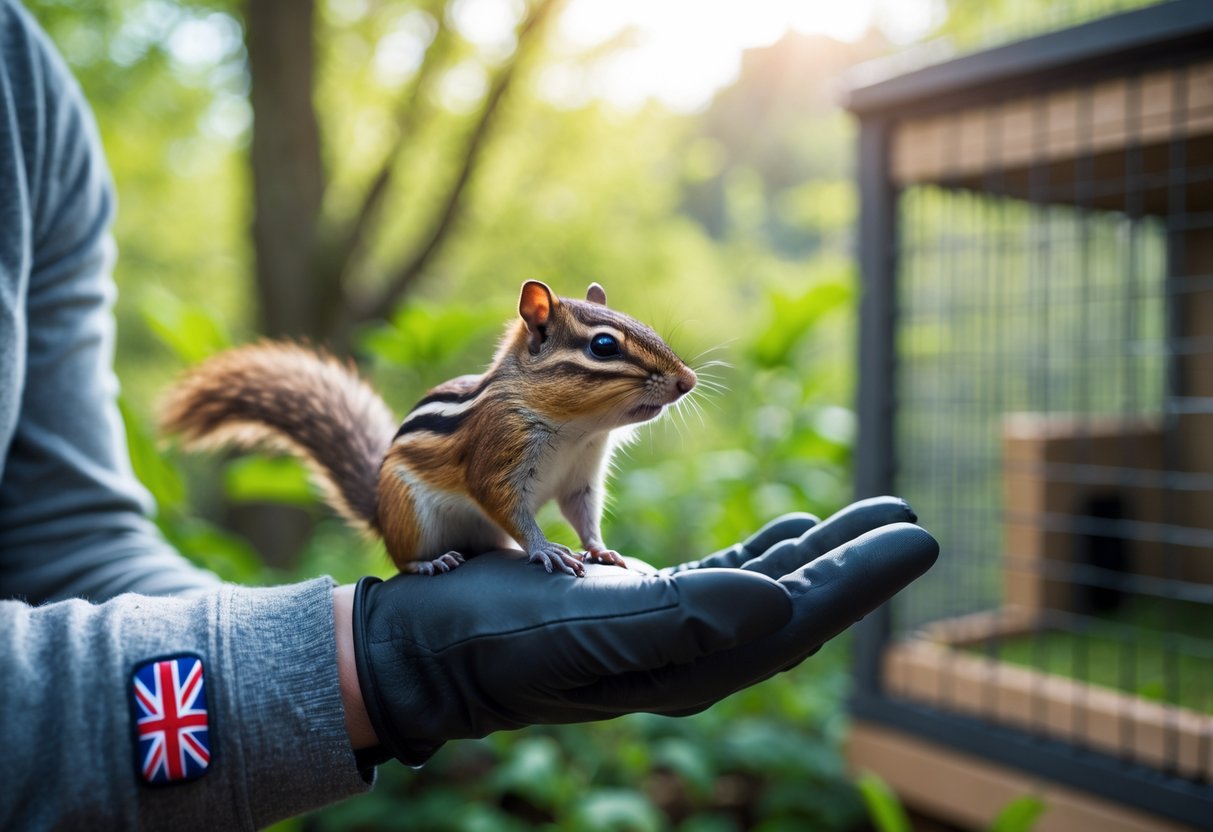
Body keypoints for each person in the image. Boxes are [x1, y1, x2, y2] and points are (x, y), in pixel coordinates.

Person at [0, 1, 939, 828]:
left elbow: (63, 541)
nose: (662, 385)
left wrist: (278, 670)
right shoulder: (507, 417)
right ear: (537, 338)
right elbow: (505, 487)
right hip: (433, 512)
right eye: (615, 360)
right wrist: (378, 664)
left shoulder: (29, 96)